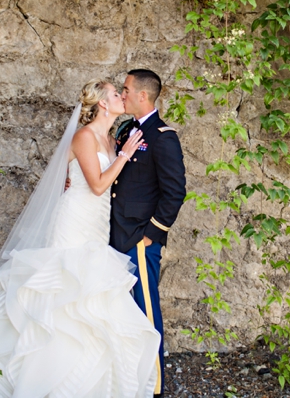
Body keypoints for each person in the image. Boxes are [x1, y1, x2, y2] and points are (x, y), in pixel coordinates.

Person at [0, 79, 161, 398]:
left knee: (91, 294)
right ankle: (42, 374)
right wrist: (124, 156)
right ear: (103, 103)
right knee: (65, 291)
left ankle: (89, 381)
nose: (122, 97)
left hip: (97, 223)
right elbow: (98, 185)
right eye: (117, 94)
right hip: (75, 221)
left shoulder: (111, 137)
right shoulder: (85, 136)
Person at [110, 69, 187, 397]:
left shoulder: (163, 136)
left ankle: (154, 387)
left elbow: (175, 192)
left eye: (126, 90)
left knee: (146, 313)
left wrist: (151, 236)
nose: (122, 94)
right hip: (114, 233)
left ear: (143, 95)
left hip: (139, 239)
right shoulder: (126, 128)